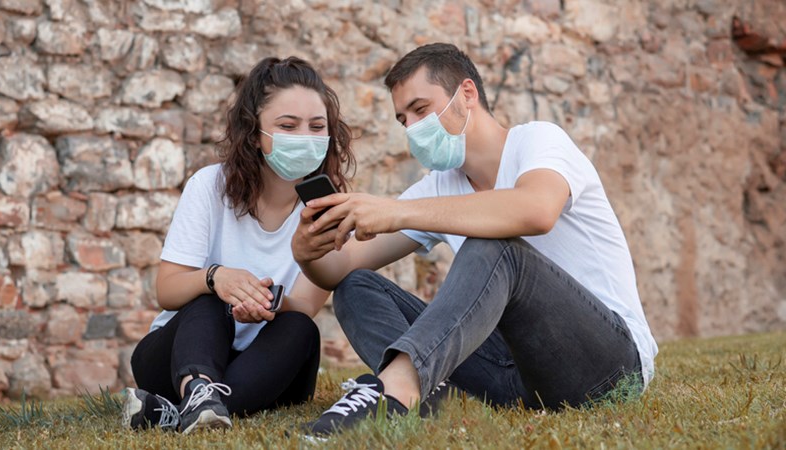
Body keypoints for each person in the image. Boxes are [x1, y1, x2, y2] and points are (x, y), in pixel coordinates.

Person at [291, 43, 658, 437]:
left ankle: (396, 390)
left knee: (494, 245)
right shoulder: (439, 187)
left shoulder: (539, 141)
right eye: (403, 120)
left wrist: (396, 211)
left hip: (608, 365)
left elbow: (537, 210)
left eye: (420, 109)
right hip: (511, 375)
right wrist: (306, 252)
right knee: (356, 287)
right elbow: (339, 270)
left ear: (466, 94)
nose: (413, 128)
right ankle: (429, 395)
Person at [122, 56, 355, 434]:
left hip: (260, 362)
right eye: (287, 126)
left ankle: (177, 412)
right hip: (177, 356)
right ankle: (195, 391)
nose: (305, 138)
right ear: (254, 131)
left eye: (317, 127)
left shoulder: (330, 209)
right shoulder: (209, 186)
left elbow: (305, 305)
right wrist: (218, 279)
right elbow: (167, 289)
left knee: (300, 329)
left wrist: (261, 304)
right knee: (212, 301)